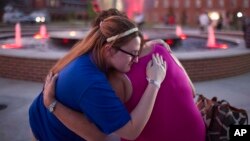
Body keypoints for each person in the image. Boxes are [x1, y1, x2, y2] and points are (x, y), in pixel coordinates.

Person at [28, 12, 167, 141]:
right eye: (133, 53)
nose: (136, 59)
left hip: (40, 119)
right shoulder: (91, 82)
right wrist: (154, 82)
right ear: (109, 50)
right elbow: (131, 131)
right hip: (46, 133)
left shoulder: (91, 52)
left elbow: (122, 49)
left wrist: (143, 48)